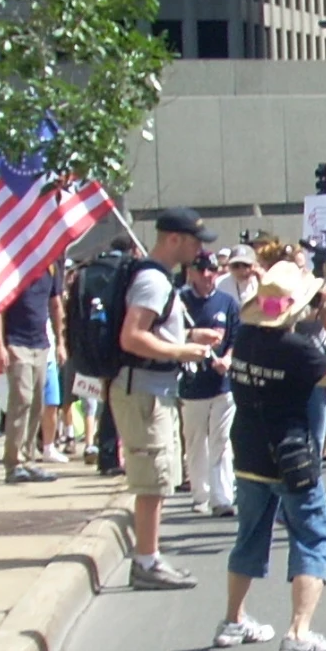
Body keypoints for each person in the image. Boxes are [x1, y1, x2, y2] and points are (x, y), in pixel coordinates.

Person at [219, 259, 326, 651]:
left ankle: (232, 618)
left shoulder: (244, 339)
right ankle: (299, 631)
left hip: (248, 452)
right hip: (292, 454)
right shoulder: (297, 350)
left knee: (250, 535)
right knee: (312, 537)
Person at [114, 208, 227, 590]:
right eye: (195, 241)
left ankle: (151, 556)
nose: (199, 250)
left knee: (160, 478)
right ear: (173, 239)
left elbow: (152, 332)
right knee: (153, 478)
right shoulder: (153, 281)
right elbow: (132, 337)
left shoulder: (157, 279)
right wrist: (182, 353)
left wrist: (189, 340)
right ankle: (145, 562)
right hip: (143, 390)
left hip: (154, 389)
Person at [178, 251, 240, 516]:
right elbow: (168, 336)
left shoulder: (227, 303)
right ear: (190, 273)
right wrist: (192, 335)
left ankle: (222, 496)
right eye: (201, 270)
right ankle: (200, 494)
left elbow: (237, 338)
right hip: (192, 385)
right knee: (195, 441)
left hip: (222, 385)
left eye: (212, 270)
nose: (207, 276)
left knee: (222, 440)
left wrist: (228, 358)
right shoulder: (179, 303)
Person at [0, 261, 65, 482]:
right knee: (21, 400)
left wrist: (61, 342)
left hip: (41, 343)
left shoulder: (50, 269)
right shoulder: (13, 269)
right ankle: (13, 463)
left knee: (37, 402)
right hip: (16, 342)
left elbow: (55, 305)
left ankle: (28, 459)